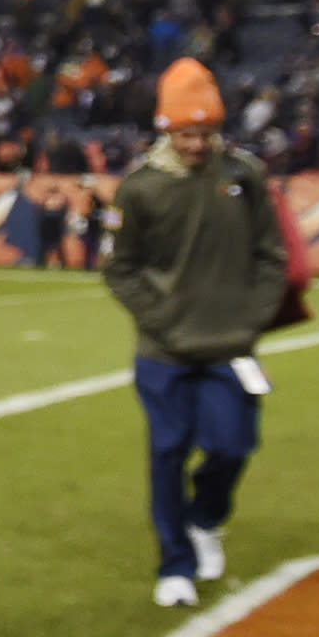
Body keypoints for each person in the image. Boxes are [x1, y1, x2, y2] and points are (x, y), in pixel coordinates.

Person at [101, 59, 285, 608]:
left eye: (206, 132)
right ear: (166, 128)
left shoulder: (244, 175)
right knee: (167, 450)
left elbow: (271, 254)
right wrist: (162, 321)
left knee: (233, 446)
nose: (197, 144)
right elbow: (119, 268)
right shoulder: (140, 189)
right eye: (186, 132)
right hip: (164, 352)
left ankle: (204, 519)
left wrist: (252, 317)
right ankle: (174, 565)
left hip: (231, 346)